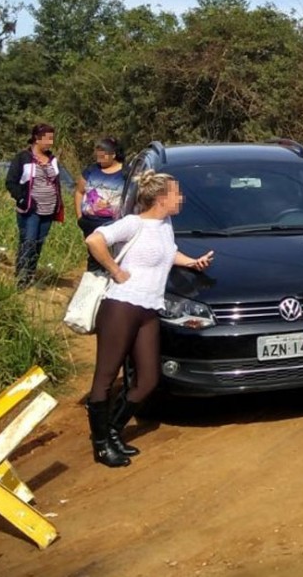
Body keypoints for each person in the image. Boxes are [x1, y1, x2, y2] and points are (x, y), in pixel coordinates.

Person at [84, 170, 214, 467]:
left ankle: (113, 431)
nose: (181, 198)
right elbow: (94, 240)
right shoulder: (133, 224)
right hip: (122, 305)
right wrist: (116, 271)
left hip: (149, 308)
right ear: (160, 198)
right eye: (176, 193)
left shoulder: (165, 225)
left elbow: (169, 253)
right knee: (105, 377)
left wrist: (193, 263)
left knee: (149, 379)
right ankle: (101, 445)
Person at [6, 123, 65, 288]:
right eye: (48, 139)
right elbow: (11, 182)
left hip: (49, 209)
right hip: (30, 210)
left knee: (38, 243)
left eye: (52, 139)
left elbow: (61, 182)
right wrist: (22, 198)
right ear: (37, 139)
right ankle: (21, 278)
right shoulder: (22, 158)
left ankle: (30, 275)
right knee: (28, 241)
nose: (51, 142)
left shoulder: (53, 160)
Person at [74, 137, 126, 273]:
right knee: (94, 256)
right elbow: (79, 192)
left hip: (113, 224)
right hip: (89, 222)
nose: (99, 159)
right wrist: (79, 216)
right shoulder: (91, 170)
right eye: (97, 156)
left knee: (112, 257)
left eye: (102, 156)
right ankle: (93, 279)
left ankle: (112, 278)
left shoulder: (126, 173)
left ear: (113, 155)